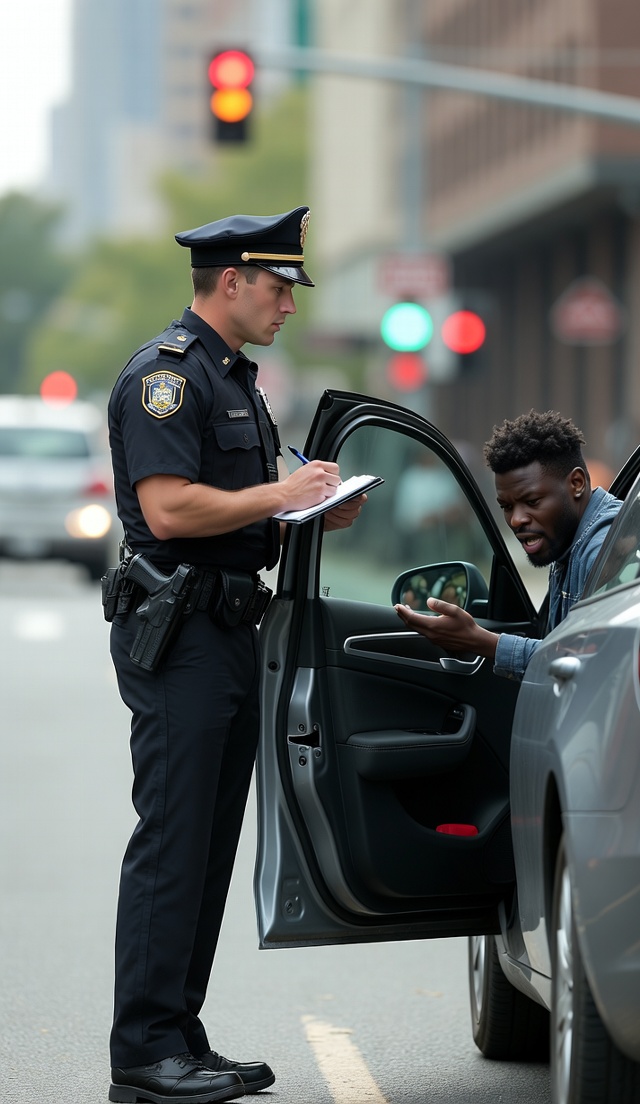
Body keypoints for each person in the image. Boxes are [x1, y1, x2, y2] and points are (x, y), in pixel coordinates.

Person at [105, 207, 364, 1104]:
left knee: (209, 845)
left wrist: (306, 504)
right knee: (174, 840)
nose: (289, 302)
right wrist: (277, 494)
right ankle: (142, 1051)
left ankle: (179, 1035)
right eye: (279, 285)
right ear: (232, 281)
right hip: (177, 636)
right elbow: (171, 510)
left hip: (225, 631)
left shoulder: (235, 382)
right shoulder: (166, 381)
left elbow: (244, 504)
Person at [395, 409, 621, 679]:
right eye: (506, 506)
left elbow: (591, 664)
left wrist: (481, 641)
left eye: (532, 502)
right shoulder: (566, 538)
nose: (516, 520)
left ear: (576, 483)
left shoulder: (604, 550)